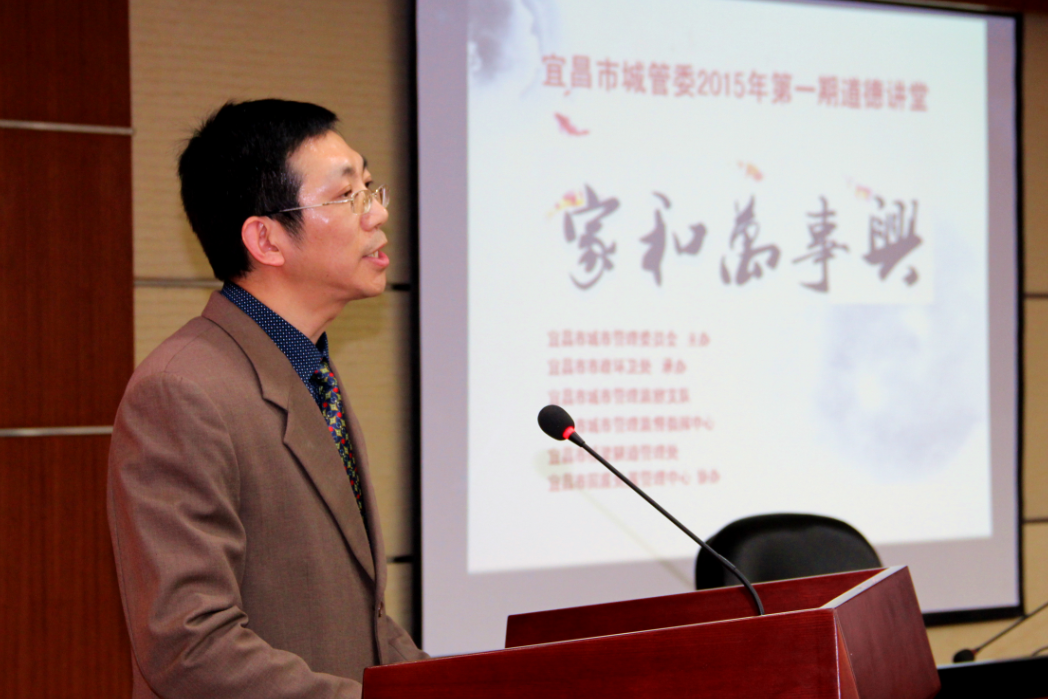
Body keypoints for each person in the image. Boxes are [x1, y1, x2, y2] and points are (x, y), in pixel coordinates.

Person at [107, 99, 427, 699]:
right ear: (266, 239)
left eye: (369, 186)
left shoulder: (307, 368)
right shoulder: (181, 391)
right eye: (348, 195)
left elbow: (363, 622)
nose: (379, 211)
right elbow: (191, 648)